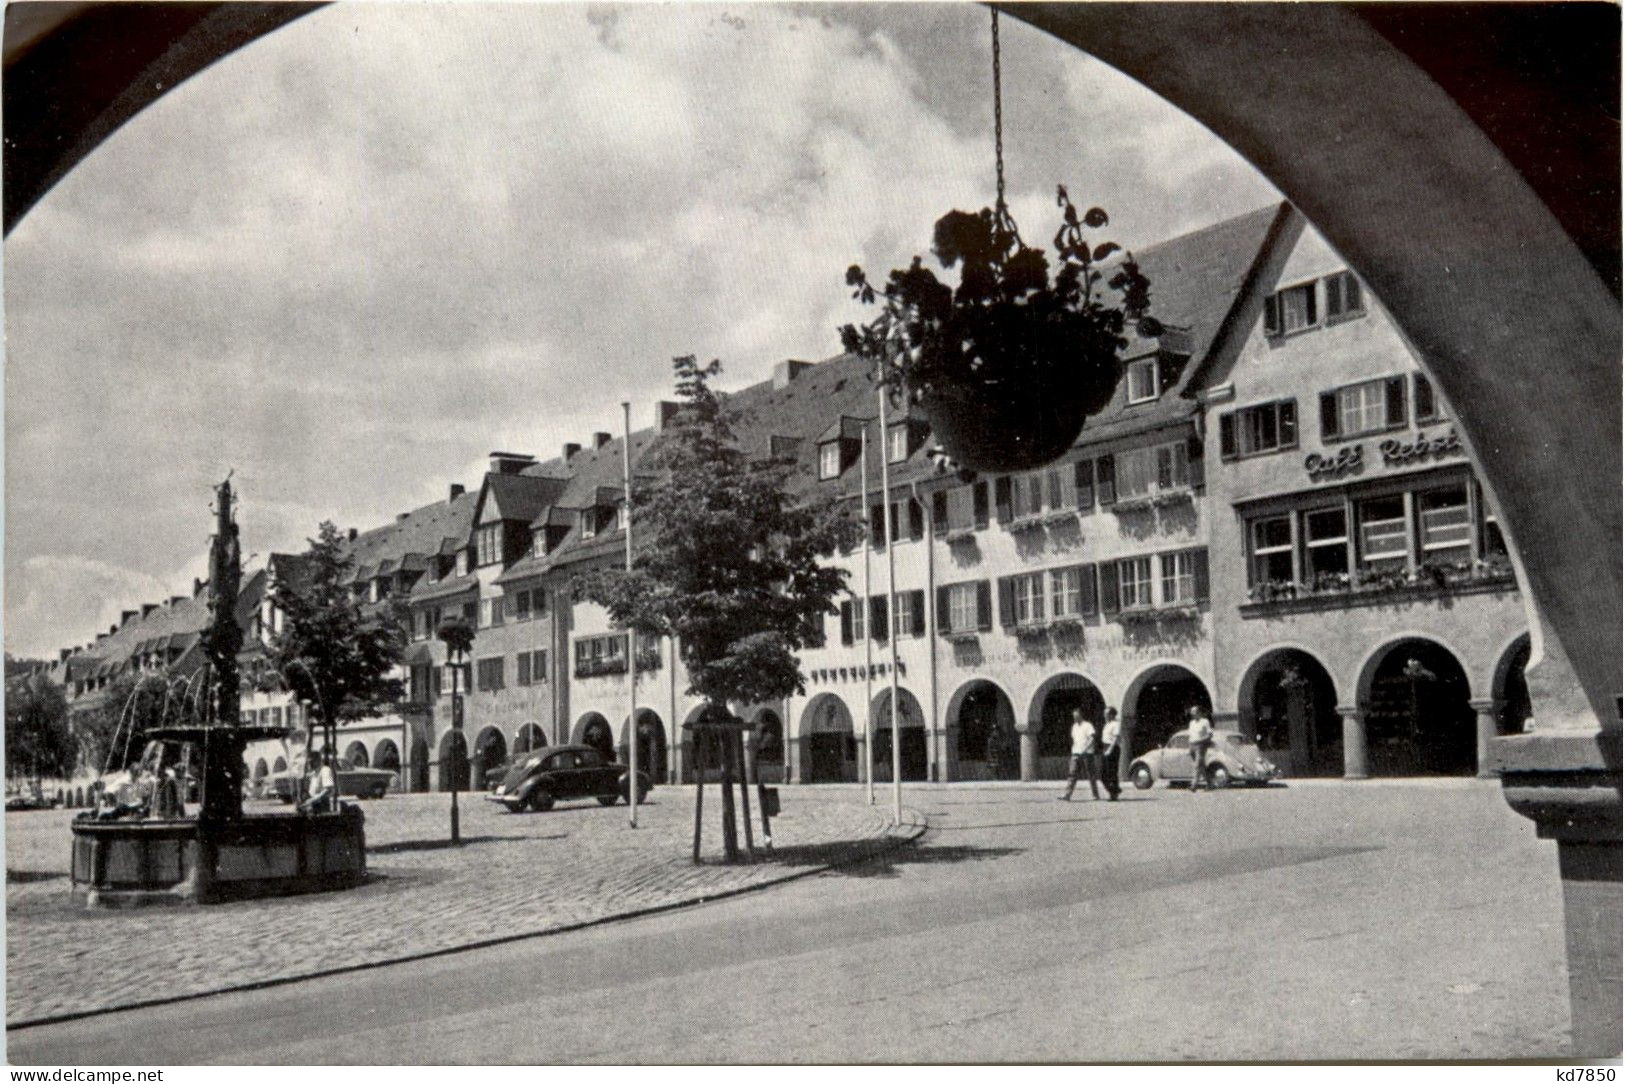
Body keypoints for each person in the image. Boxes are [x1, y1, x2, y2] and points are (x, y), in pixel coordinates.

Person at [1059, 708, 1100, 801]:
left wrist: (1085, 749)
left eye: (1076, 716)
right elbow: (1075, 740)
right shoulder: (1074, 726)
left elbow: (1092, 738)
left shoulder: (1088, 725)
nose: (1075, 718)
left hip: (1087, 754)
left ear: (1081, 715)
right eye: (1074, 716)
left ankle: (1095, 794)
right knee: (1072, 773)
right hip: (1076, 753)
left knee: (1090, 775)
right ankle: (1067, 794)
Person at [1187, 704, 1214, 792]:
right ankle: (1209, 783)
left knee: (1197, 765)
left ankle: (1194, 785)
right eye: (1192, 712)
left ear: (1199, 712)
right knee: (1201, 765)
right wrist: (1189, 747)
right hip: (1192, 745)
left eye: (1194, 712)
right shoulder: (1191, 723)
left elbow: (1210, 734)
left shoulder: (1205, 721)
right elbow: (1190, 735)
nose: (1192, 713)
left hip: (1201, 745)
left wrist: (1204, 741)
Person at [299, 749, 336, 814]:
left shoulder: (325, 770)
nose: (309, 764)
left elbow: (328, 790)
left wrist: (313, 800)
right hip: (313, 805)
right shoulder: (314, 773)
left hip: (322, 805)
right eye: (308, 762)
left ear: (317, 760)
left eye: (311, 761)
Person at [1099, 707, 1122, 801]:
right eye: (1104, 714)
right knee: (1103, 773)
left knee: (1111, 772)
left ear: (1112, 715)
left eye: (1107, 714)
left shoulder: (1116, 724)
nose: (1105, 715)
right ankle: (1116, 790)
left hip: (1112, 748)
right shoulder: (1106, 725)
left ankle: (1113, 794)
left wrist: (1110, 750)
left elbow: (1116, 738)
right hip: (1105, 747)